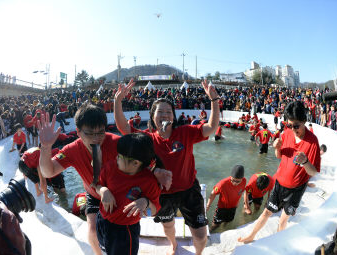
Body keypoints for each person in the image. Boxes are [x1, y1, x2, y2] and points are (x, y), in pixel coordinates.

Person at [38, 104, 172, 254]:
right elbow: (48, 172)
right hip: (94, 193)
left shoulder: (117, 143)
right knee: (93, 230)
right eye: (90, 134)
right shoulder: (71, 150)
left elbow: (146, 155)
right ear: (78, 132)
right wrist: (45, 146)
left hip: (119, 193)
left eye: (100, 132)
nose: (96, 139)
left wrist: (158, 170)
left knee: (125, 232)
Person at [114, 79, 219, 255]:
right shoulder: (146, 139)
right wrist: (118, 101)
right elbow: (124, 128)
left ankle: (199, 253)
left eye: (168, 112)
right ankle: (173, 244)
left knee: (201, 236)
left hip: (189, 191)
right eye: (160, 112)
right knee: (168, 226)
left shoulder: (185, 132)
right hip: (161, 194)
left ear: (173, 116)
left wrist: (214, 101)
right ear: (152, 116)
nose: (165, 115)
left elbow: (211, 127)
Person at [238, 101, 321, 244]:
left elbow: (313, 172)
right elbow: (279, 156)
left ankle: (276, 245)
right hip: (279, 183)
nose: (293, 129)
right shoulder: (286, 133)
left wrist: (306, 161)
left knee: (283, 219)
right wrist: (276, 148)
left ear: (304, 121)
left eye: (296, 126)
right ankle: (251, 236)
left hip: (296, 189)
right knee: (266, 212)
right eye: (289, 125)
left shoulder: (312, 142)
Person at [95, 133, 162, 255]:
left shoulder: (149, 182)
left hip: (125, 231)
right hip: (102, 220)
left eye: (120, 156)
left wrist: (146, 202)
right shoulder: (110, 167)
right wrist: (103, 190)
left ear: (136, 163)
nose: (116, 158)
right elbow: (97, 185)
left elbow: (153, 211)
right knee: (105, 250)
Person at [206, 165, 246, 232]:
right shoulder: (222, 184)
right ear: (230, 177)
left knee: (228, 221)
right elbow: (213, 193)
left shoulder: (244, 181)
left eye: (238, 181)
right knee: (215, 225)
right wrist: (208, 205)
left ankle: (223, 229)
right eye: (233, 180)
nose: (235, 183)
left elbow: (241, 192)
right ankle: (210, 232)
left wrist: (238, 203)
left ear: (242, 179)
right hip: (222, 208)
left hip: (233, 207)